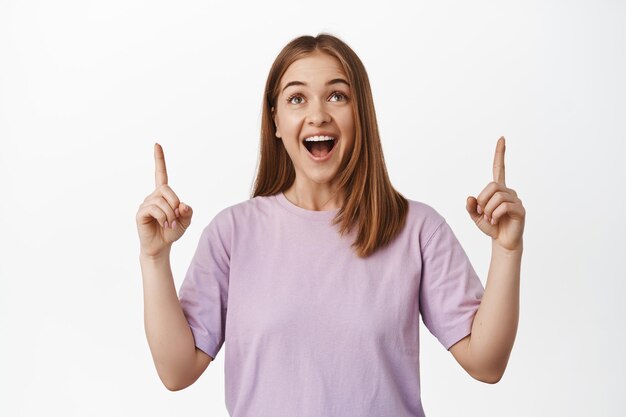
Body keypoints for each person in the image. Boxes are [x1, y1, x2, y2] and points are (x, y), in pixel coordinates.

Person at [136, 33, 525, 417]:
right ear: (275, 120)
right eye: (296, 98)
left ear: (361, 114)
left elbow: (486, 364)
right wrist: (154, 258)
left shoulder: (417, 230)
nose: (318, 114)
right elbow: (177, 371)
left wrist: (507, 250)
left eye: (337, 95)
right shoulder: (232, 234)